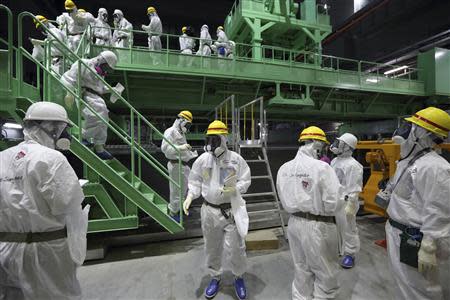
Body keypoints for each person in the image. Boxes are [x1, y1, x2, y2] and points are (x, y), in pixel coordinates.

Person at [0, 102, 89, 299]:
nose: (66, 135)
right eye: (64, 129)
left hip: (6, 250)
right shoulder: (52, 159)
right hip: (46, 252)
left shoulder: (2, 158)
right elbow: (68, 204)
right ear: (53, 128)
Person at [386, 107, 450, 300]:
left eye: (411, 125)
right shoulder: (410, 161)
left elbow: (439, 209)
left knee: (421, 289)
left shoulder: (435, 167)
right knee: (407, 284)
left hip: (415, 237)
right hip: (400, 233)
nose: (404, 129)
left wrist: (429, 246)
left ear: (422, 133)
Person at [183, 120, 251, 300]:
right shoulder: (203, 160)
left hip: (230, 211)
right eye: (209, 140)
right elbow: (195, 180)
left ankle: (238, 276)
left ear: (223, 139)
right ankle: (215, 276)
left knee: (236, 247)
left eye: (215, 140)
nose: (211, 144)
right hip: (209, 211)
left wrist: (236, 189)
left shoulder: (236, 159)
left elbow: (246, 179)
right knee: (212, 247)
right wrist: (190, 196)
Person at [276, 126, 343, 300]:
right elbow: (333, 203)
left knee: (301, 268)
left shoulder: (284, 168)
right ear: (317, 145)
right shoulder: (322, 168)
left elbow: (283, 197)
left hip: (294, 223)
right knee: (325, 271)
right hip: (318, 226)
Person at [61, 50, 120, 160]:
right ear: (101, 61)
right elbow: (69, 78)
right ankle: (85, 137)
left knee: (104, 119)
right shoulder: (83, 63)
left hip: (96, 97)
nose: (106, 71)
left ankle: (99, 147)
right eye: (106, 67)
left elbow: (100, 89)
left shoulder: (100, 73)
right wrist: (70, 93)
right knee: (95, 117)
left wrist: (112, 90)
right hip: (84, 94)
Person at [330, 133, 363, 269]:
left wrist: (351, 203)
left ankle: (350, 254)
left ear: (347, 146)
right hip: (334, 201)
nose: (336, 145)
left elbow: (354, 187)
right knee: (336, 228)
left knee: (349, 229)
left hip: (346, 202)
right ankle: (340, 249)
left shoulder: (353, 165)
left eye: (340, 143)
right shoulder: (335, 161)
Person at [161, 111, 198, 222]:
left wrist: (191, 154)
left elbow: (181, 152)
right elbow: (165, 149)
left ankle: (179, 210)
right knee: (176, 191)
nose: (187, 127)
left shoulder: (181, 133)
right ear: (181, 120)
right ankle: (173, 213)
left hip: (183, 166)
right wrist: (181, 147)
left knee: (183, 190)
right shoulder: (170, 131)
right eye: (187, 124)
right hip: (176, 165)